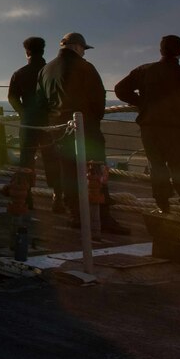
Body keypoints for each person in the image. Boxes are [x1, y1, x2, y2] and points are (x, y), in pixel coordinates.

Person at [39, 32, 126, 233]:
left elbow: (41, 101)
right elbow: (98, 99)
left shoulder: (46, 69)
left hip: (58, 128)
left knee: (68, 171)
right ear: (78, 47)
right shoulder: (85, 68)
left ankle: (76, 215)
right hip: (85, 126)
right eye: (83, 50)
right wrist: (94, 119)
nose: (84, 54)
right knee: (96, 170)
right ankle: (102, 217)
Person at [114, 35, 180, 218]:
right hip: (178, 130)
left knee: (157, 168)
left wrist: (141, 103)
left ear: (161, 50)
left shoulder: (145, 70)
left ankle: (163, 207)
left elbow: (120, 89)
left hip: (151, 128)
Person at [7, 36, 56, 198]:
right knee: (52, 159)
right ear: (42, 51)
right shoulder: (51, 71)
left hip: (28, 122)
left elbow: (12, 98)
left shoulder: (19, 73)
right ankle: (58, 197)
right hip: (49, 122)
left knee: (26, 160)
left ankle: (25, 196)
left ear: (27, 52)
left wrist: (23, 112)